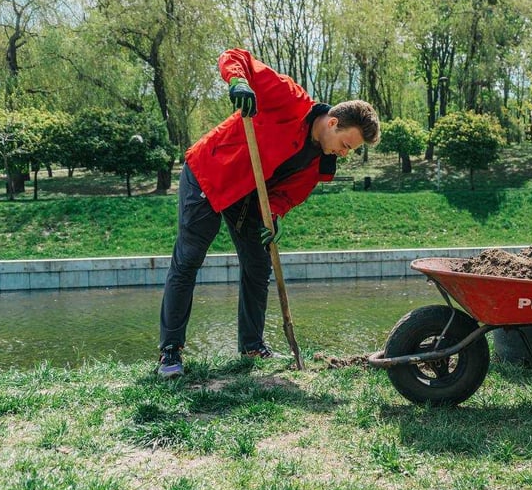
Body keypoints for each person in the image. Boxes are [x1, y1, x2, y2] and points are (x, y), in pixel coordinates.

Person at [157, 48, 380, 378]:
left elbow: (287, 195)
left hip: (249, 198)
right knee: (189, 258)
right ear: (333, 122)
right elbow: (237, 57)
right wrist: (237, 81)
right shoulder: (289, 98)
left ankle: (251, 346)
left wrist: (273, 216)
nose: (345, 153)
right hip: (212, 173)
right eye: (346, 144)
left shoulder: (321, 163)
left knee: (258, 263)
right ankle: (170, 351)